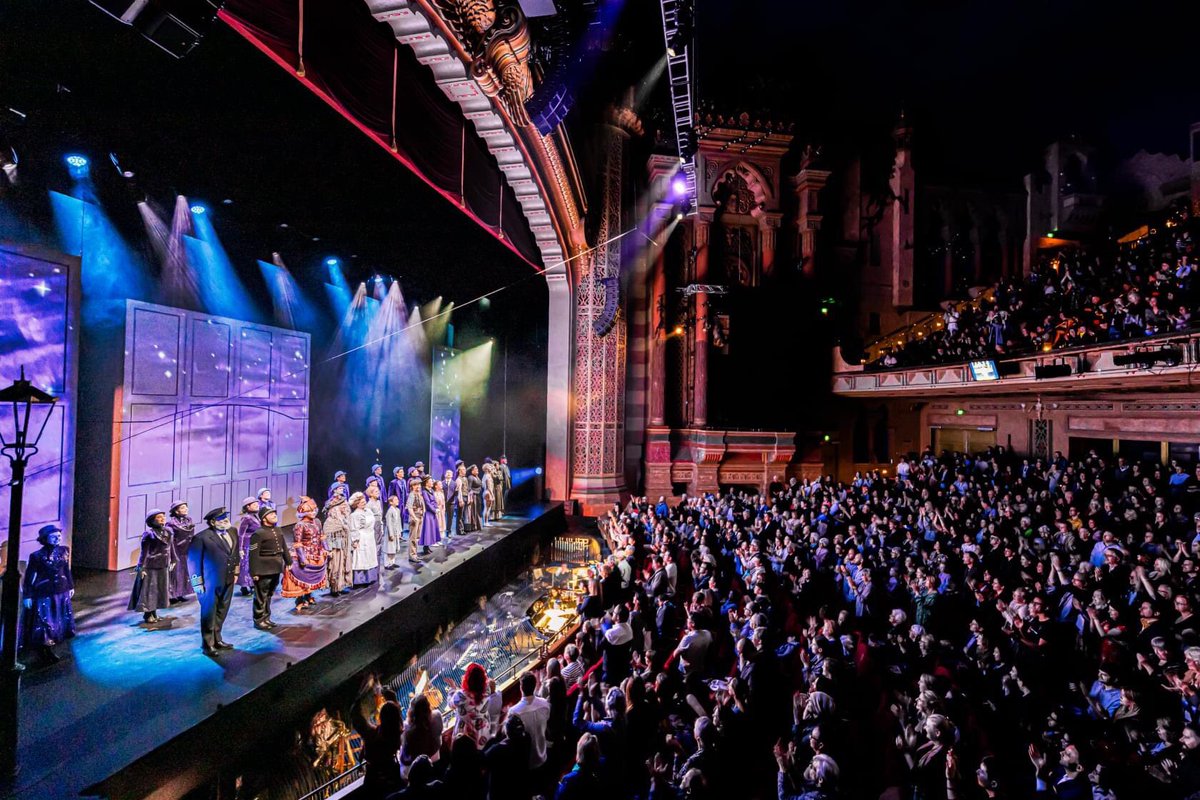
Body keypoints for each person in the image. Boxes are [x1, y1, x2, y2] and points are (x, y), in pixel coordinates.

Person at [187, 507, 240, 656]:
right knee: (209, 612)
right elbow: (193, 562)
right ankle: (208, 644)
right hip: (209, 582)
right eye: (221, 519)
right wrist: (197, 584)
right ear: (212, 522)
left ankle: (218, 639)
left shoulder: (232, 531)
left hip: (228, 578)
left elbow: (235, 553)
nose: (225, 521)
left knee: (223, 610)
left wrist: (236, 572)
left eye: (226, 518)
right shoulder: (202, 538)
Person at [20, 524, 75, 664]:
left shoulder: (65, 550)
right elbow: (29, 577)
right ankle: (45, 649)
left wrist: (70, 585)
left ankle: (53, 644)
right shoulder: (36, 556)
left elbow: (66, 570)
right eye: (53, 536)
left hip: (61, 590)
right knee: (45, 620)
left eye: (59, 536)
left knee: (59, 619)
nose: (58, 538)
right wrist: (27, 595)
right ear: (45, 539)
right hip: (44, 591)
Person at [248, 505, 291, 629]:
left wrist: (288, 562)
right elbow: (253, 554)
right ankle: (259, 619)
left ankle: (266, 617)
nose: (274, 515)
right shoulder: (258, 533)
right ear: (264, 518)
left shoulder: (277, 530)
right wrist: (254, 572)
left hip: (275, 567)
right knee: (261, 596)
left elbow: (284, 547)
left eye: (274, 513)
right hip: (263, 569)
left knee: (269, 594)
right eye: (271, 514)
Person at [128, 508, 173, 625]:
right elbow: (144, 552)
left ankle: (154, 613)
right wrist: (140, 567)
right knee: (149, 591)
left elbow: (170, 549)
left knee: (159, 589)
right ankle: (148, 614)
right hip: (151, 565)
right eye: (159, 517)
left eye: (163, 516)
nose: (162, 518)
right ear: (152, 521)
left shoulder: (168, 531)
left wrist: (172, 560)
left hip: (163, 564)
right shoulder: (149, 534)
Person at [281, 496, 327, 610]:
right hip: (304, 554)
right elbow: (298, 543)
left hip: (316, 553)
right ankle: (300, 599)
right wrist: (302, 559)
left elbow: (322, 536)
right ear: (303, 513)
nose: (313, 512)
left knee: (311, 578)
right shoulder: (300, 525)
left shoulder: (317, 522)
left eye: (314, 510)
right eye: (310, 511)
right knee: (303, 577)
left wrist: (326, 549)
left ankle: (309, 596)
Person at [510, 671, 552, 772]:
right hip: (543, 755)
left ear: (521, 687)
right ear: (534, 686)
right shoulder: (545, 704)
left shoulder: (514, 712)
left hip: (526, 762)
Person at [451, 662, 494, 746]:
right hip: (483, 734)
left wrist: (453, 689)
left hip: (465, 738)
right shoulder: (487, 690)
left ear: (467, 678)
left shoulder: (461, 695)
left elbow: (451, 704)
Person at [165, 500, 196, 603]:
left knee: (184, 572)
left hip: (187, 549)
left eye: (185, 507)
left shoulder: (189, 520)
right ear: (176, 511)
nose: (185, 509)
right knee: (175, 573)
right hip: (176, 550)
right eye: (182, 507)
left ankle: (182, 592)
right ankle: (173, 594)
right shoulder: (171, 523)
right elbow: (169, 539)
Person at [323, 492, 352, 596]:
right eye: (342, 505)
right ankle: (334, 588)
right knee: (335, 567)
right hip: (335, 548)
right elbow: (326, 536)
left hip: (343, 546)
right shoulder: (331, 521)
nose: (345, 506)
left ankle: (340, 586)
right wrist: (329, 549)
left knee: (343, 566)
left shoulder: (344, 519)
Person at [347, 491, 380, 586]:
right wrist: (355, 541)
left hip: (370, 536)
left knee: (370, 556)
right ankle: (361, 579)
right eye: (361, 502)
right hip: (362, 538)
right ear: (356, 504)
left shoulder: (368, 511)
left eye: (364, 501)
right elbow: (354, 528)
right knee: (362, 557)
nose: (364, 503)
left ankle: (371, 577)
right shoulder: (355, 515)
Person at [236, 496, 260, 596]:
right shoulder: (246, 518)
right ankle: (245, 585)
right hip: (247, 544)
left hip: (255, 543)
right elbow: (241, 534)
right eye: (254, 504)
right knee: (246, 565)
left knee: (253, 564)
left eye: (257, 504)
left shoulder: (256, 516)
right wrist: (240, 548)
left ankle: (252, 584)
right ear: (248, 507)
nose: (257, 505)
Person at [405, 478, 425, 563]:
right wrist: (414, 517)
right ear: (412, 486)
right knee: (413, 538)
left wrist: (423, 512)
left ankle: (415, 554)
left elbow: (422, 505)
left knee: (417, 537)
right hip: (415, 517)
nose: (418, 486)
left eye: (419, 485)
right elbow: (409, 507)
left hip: (420, 516)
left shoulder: (419, 494)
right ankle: (412, 555)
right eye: (416, 485)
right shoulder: (412, 495)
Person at [420, 475, 441, 555]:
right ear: (426, 482)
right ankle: (425, 547)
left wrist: (436, 507)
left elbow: (434, 501)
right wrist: (434, 509)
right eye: (431, 481)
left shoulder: (431, 490)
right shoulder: (424, 492)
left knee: (432, 530)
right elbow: (427, 503)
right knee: (428, 531)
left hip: (433, 513)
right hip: (428, 513)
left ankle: (428, 547)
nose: (432, 482)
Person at [366, 481, 385, 566]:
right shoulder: (369, 504)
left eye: (378, 491)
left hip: (379, 523)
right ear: (371, 493)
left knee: (379, 543)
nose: (378, 493)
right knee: (375, 543)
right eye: (376, 492)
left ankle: (377, 558)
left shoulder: (377, 502)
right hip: (373, 525)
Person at [383, 493, 403, 570]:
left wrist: (400, 532)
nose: (397, 501)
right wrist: (391, 534)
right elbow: (389, 523)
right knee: (389, 548)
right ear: (391, 502)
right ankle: (387, 564)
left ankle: (392, 562)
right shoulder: (390, 511)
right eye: (395, 500)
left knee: (394, 548)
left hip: (396, 531)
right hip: (390, 533)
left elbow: (399, 521)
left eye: (397, 500)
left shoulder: (397, 510)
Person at [444, 469, 461, 537]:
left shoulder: (454, 483)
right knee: (442, 517)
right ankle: (441, 531)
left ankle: (448, 531)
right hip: (443, 503)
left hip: (451, 503)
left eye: (450, 473)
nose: (448, 474)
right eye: (447, 472)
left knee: (450, 518)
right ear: (445, 474)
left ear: (452, 475)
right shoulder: (442, 483)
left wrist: (458, 489)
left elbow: (456, 494)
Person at [468, 465, 484, 532]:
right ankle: (473, 526)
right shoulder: (470, 477)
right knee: (474, 511)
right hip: (473, 496)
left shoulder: (477, 477)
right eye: (475, 469)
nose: (477, 470)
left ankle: (478, 525)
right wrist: (472, 494)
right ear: (472, 471)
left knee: (478, 510)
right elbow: (469, 488)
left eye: (477, 468)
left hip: (478, 495)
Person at [434, 479, 448, 545]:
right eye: (440, 484)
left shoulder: (441, 493)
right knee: (438, 524)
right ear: (436, 486)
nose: (441, 485)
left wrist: (444, 509)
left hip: (441, 511)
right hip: (437, 511)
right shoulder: (434, 494)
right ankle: (435, 539)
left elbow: (444, 502)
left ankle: (439, 539)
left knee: (442, 523)